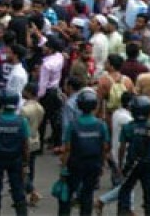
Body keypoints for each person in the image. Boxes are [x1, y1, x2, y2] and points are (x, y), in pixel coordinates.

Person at [57, 87, 107, 216]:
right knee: (87, 195)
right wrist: (101, 165)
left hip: (75, 164)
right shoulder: (101, 125)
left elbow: (67, 149)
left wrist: (63, 168)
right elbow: (104, 147)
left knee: (67, 194)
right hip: (93, 164)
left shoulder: (73, 125)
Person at [0, 89, 30, 216]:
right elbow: (25, 145)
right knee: (18, 189)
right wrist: (25, 162)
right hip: (16, 159)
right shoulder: (22, 121)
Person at [116, 95, 150, 216]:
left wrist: (120, 165)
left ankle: (124, 212)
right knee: (149, 193)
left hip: (132, 164)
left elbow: (122, 148)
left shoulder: (128, 127)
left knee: (125, 190)